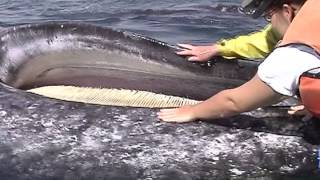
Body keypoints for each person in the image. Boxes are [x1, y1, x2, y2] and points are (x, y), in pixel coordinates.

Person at [157, 0, 320, 123]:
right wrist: (220, 49)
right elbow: (269, 38)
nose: (269, 23)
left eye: (269, 16)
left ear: (287, 11)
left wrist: (193, 111)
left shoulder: (295, 55)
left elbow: (233, 102)